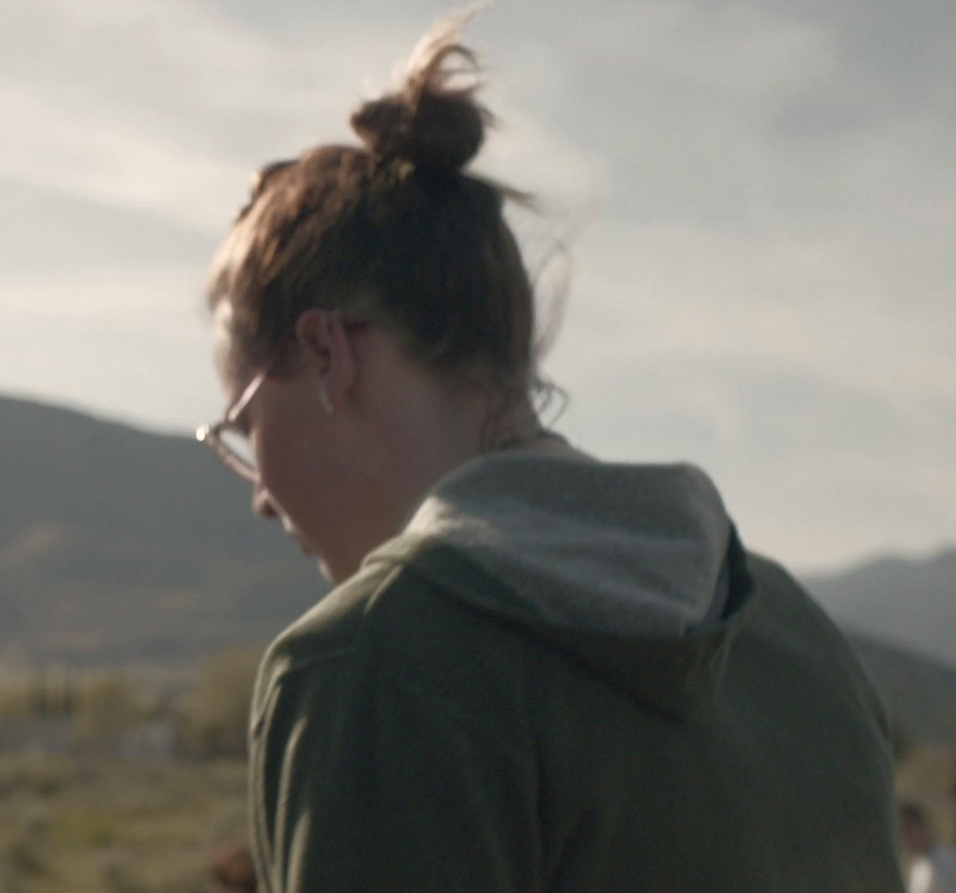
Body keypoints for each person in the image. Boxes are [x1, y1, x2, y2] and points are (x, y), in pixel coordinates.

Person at [194, 11, 904, 892]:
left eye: (244, 423)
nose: (261, 493)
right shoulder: (797, 635)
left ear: (329, 354)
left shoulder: (373, 667)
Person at [902, 803, 956, 893]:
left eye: (909, 830)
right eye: (903, 833)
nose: (906, 839)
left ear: (921, 827)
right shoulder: (918, 865)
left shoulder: (944, 860)